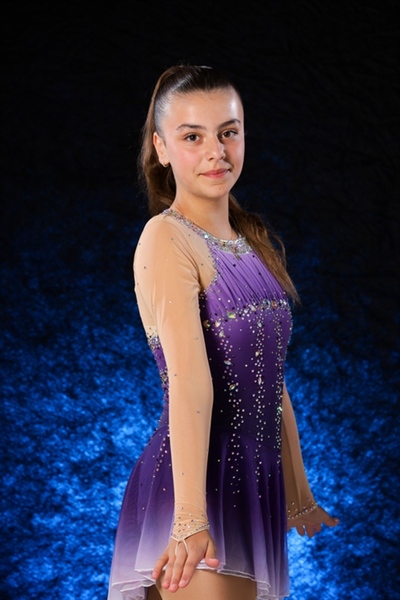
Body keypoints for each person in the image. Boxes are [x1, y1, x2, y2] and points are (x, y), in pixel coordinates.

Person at [107, 64, 339, 600]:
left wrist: (298, 492)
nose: (217, 151)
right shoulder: (165, 238)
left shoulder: (252, 243)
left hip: (254, 487)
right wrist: (190, 517)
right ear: (162, 148)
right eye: (193, 137)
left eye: (228, 132)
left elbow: (271, 382)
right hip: (195, 487)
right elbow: (189, 381)